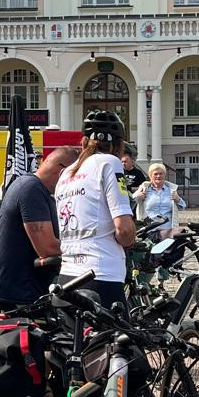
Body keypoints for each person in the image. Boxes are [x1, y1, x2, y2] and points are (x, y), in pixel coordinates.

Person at [55, 110, 137, 311]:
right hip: (101, 276)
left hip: (67, 276)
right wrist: (128, 238)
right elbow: (124, 230)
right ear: (117, 145)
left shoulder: (66, 173)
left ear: (83, 142)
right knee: (126, 341)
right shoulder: (109, 162)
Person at [0, 146, 78, 311]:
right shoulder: (31, 189)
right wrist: (84, 248)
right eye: (75, 176)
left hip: (23, 288)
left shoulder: (37, 189)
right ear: (62, 170)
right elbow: (48, 247)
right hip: (19, 292)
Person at [131, 162, 185, 239]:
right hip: (149, 229)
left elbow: (182, 207)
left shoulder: (171, 190)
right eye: (155, 174)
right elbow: (131, 201)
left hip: (168, 230)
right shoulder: (144, 189)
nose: (158, 176)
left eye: (161, 173)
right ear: (150, 176)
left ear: (164, 175)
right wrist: (138, 196)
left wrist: (177, 199)